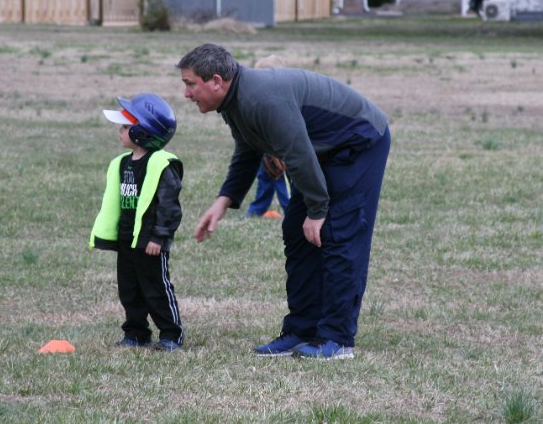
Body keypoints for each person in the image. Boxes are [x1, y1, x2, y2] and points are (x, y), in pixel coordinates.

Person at [177, 43, 390, 360]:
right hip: (321, 152)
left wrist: (318, 211)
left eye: (190, 84)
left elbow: (299, 155)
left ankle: (336, 338)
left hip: (358, 143)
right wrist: (224, 200)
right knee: (296, 231)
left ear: (217, 80)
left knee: (338, 234)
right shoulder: (237, 101)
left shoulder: (261, 99)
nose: (186, 94)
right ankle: (301, 331)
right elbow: (248, 150)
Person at [89, 93, 184, 351]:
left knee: (156, 289)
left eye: (126, 127)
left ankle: (171, 334)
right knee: (129, 290)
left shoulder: (161, 165)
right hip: (126, 239)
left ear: (142, 132)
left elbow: (170, 207)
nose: (120, 131)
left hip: (150, 241)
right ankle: (136, 332)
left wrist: (158, 237)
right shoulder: (122, 164)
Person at [245, 55, 290, 219]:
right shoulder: (258, 99)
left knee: (283, 181)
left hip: (283, 151)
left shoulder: (284, 99)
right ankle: (257, 209)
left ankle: (291, 210)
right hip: (264, 149)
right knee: (264, 178)